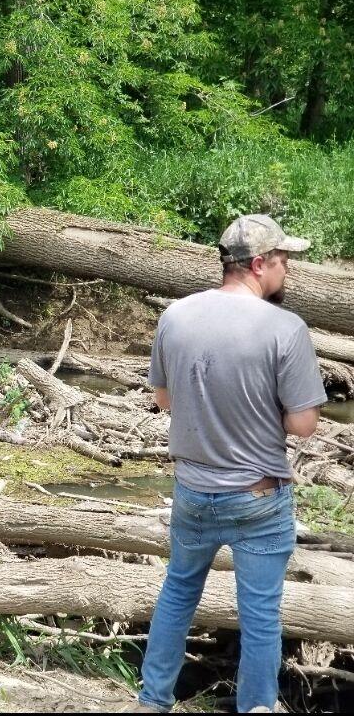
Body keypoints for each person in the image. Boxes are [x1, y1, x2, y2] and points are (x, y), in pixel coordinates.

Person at [134, 214, 326, 714]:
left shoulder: (175, 315)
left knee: (178, 593)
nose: (288, 271)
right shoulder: (286, 328)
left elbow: (163, 398)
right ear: (259, 264)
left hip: (193, 490)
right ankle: (257, 708)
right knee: (260, 613)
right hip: (258, 496)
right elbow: (304, 424)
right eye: (283, 261)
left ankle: (152, 701)